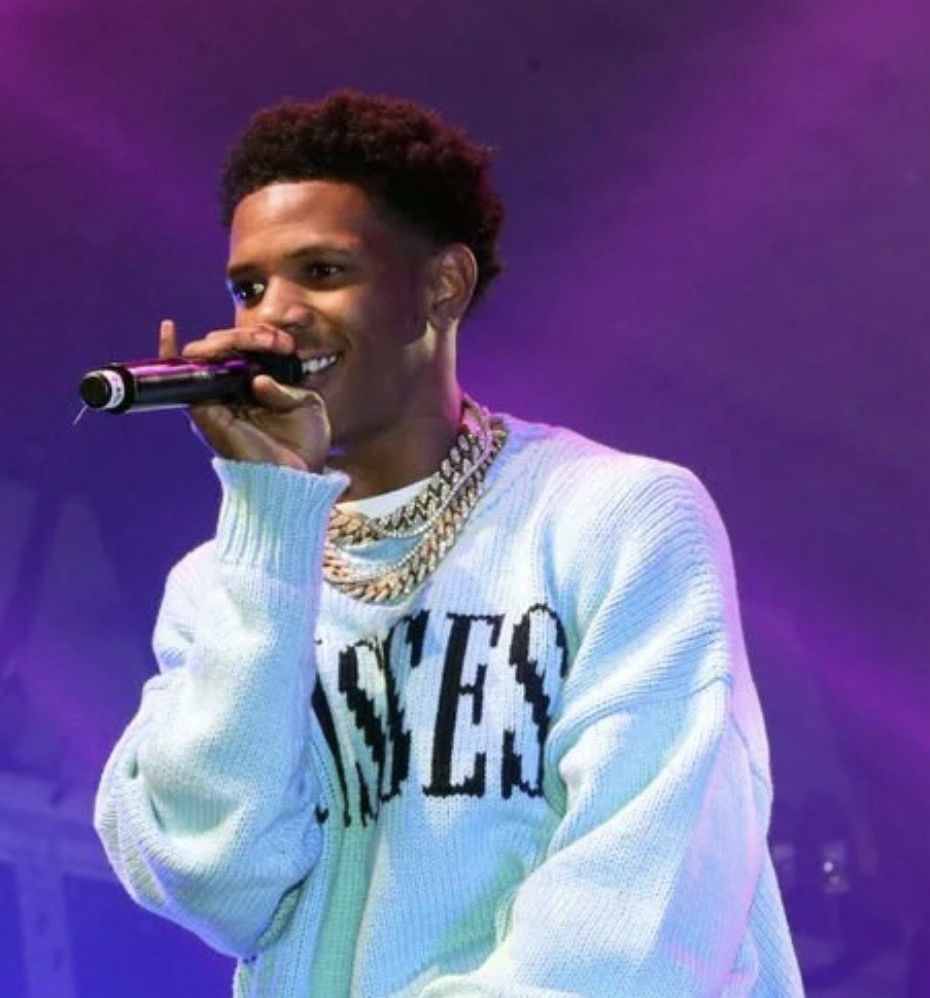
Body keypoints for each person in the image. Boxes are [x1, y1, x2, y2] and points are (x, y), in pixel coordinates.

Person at [94, 89, 804, 996]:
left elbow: (644, 911)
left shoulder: (615, 515)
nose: (272, 318)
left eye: (322, 271)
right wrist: (268, 516)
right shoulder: (222, 584)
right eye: (249, 286)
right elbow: (216, 882)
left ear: (442, 287)